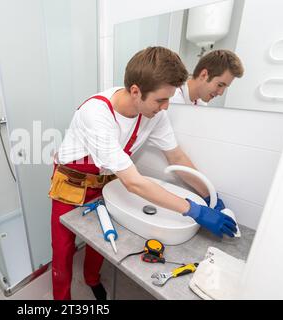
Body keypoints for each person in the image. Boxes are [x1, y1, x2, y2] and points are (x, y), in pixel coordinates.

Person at [48, 46, 237, 300]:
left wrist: (212, 197)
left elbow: (176, 156)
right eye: (161, 100)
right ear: (136, 91)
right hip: (72, 183)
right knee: (62, 250)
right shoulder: (96, 114)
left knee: (100, 239)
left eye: (169, 98)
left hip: (107, 182)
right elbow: (134, 183)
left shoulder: (153, 113)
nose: (166, 107)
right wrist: (195, 210)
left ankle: (91, 279)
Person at [170, 49, 244, 106]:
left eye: (225, 87)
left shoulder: (201, 103)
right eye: (220, 85)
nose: (221, 93)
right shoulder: (173, 99)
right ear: (203, 75)